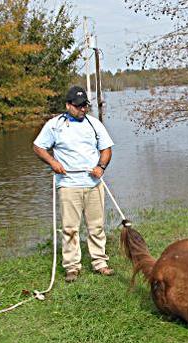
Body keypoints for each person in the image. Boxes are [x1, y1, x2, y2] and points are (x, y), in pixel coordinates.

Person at [33, 86, 115, 282]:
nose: (82, 110)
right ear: (68, 105)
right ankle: (72, 267)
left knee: (96, 226)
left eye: (85, 106)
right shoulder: (55, 125)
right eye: (78, 106)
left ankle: (100, 262)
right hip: (68, 184)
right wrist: (53, 163)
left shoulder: (94, 124)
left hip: (93, 183)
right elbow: (38, 147)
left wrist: (101, 167)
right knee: (70, 228)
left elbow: (106, 149)